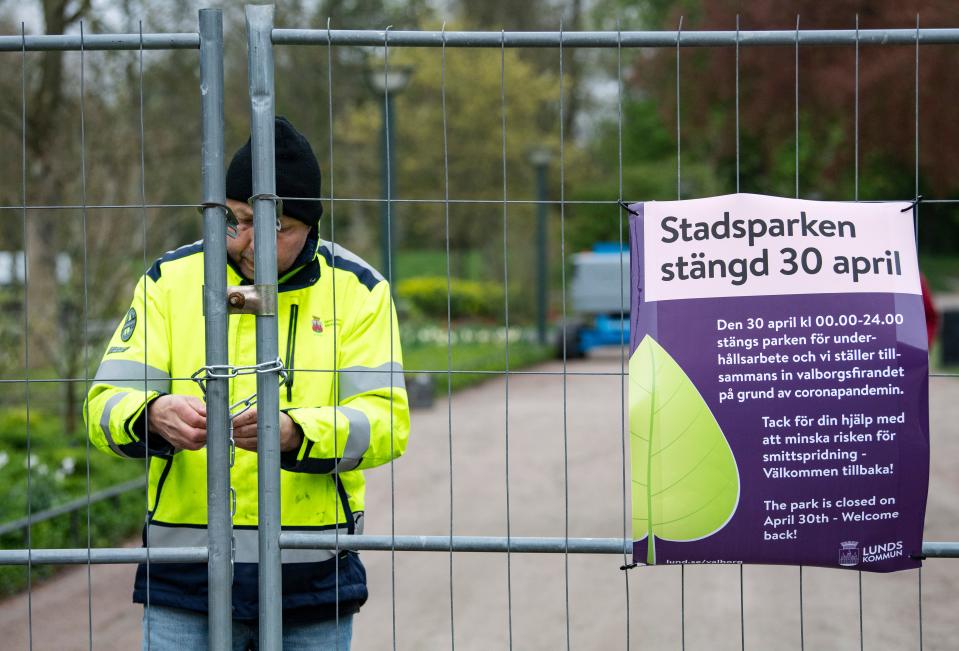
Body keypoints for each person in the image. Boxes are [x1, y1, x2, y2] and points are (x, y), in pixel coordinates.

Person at [84, 116, 410, 649]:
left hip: (309, 576)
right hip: (185, 572)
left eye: (276, 227)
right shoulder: (170, 280)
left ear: (310, 226)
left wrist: (296, 433)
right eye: (236, 220)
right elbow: (103, 403)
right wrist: (151, 413)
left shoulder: (359, 290)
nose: (248, 241)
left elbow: (386, 423)